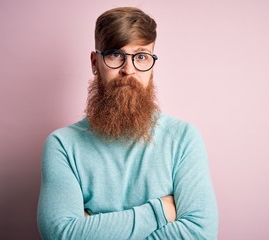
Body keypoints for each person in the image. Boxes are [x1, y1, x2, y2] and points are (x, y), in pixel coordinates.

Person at [37, 6, 218, 239]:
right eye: (115, 54)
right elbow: (60, 234)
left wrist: (92, 228)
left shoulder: (183, 138)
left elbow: (201, 234)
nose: (128, 69)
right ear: (95, 62)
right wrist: (160, 212)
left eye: (141, 56)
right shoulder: (62, 145)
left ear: (152, 66)